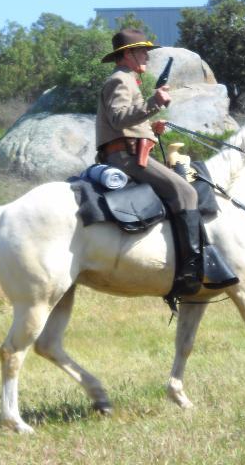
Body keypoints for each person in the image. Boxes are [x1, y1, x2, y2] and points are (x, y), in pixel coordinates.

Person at [96, 28, 201, 296]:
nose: (147, 56)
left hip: (130, 152)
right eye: (142, 51)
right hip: (127, 158)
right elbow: (119, 119)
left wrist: (151, 128)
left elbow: (126, 123)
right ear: (127, 54)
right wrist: (154, 102)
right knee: (187, 192)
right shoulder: (120, 80)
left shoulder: (129, 81)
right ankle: (191, 267)